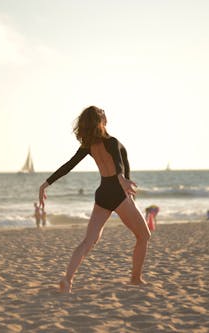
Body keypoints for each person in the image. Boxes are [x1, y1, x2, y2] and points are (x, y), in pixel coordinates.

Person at [39, 106, 151, 293]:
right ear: (101, 121)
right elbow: (117, 164)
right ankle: (135, 278)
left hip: (103, 194)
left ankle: (67, 280)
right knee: (144, 235)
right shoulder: (112, 142)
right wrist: (122, 179)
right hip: (118, 192)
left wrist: (46, 183)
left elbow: (68, 166)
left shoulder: (88, 146)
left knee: (88, 242)